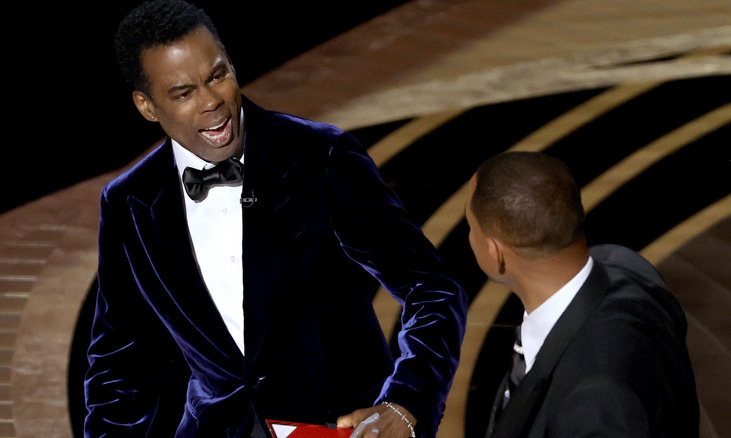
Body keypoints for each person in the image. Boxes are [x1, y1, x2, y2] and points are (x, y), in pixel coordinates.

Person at [83, 1, 468, 437]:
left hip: (340, 429)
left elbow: (433, 289)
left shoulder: (321, 159)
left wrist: (405, 403)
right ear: (146, 105)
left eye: (217, 75)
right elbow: (119, 362)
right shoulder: (129, 201)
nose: (212, 102)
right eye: (184, 93)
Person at [464, 151, 699, 437]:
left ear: (495, 252)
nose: (468, 237)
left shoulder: (595, 403)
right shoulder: (627, 265)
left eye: (471, 228)